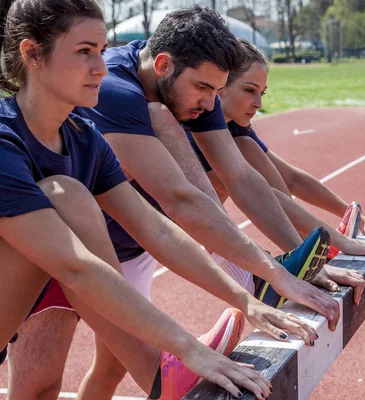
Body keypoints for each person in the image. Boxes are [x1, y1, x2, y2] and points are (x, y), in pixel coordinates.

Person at [8, 6, 337, 398]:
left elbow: (157, 227)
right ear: (32, 54)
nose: (100, 67)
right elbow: (81, 267)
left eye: (101, 50)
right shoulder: (7, 141)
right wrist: (186, 347)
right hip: (54, 265)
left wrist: (248, 295)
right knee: (64, 195)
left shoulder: (84, 140)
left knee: (70, 197)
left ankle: (161, 377)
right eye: (84, 51)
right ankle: (159, 376)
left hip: (63, 264)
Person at [209, 39, 365, 268]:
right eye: (250, 90)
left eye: (262, 93)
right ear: (221, 85)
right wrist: (337, 240)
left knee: (247, 149)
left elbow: (292, 179)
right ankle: (302, 258)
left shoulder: (236, 131)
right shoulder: (199, 130)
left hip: (198, 232)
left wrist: (360, 221)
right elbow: (257, 194)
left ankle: (307, 252)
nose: (259, 103)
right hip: (167, 236)